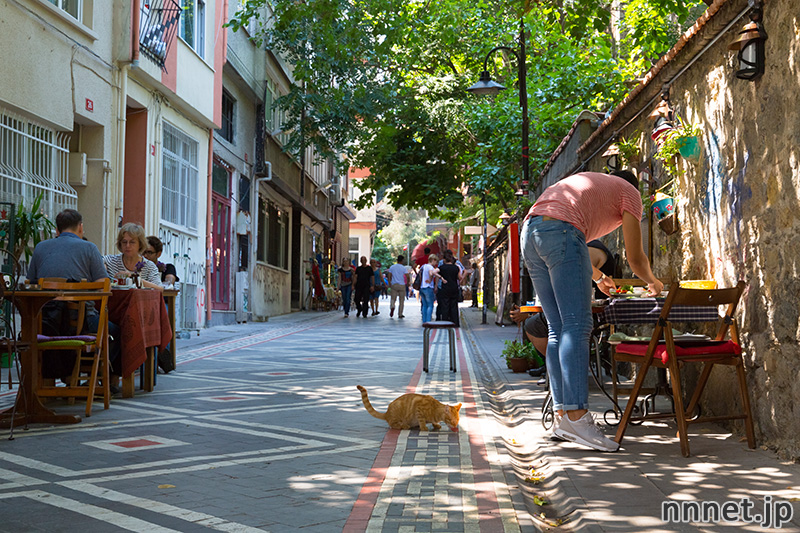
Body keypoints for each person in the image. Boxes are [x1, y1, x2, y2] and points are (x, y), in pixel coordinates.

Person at [522, 169, 663, 453]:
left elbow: (568, 242)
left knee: (556, 327)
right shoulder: (630, 192)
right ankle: (578, 417)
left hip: (530, 233)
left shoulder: (595, 185)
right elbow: (635, 257)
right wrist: (653, 281)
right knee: (577, 324)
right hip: (560, 231)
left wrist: (598, 277)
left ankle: (563, 417)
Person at [25, 209, 122, 390]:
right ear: (80, 227)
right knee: (115, 332)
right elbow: (103, 283)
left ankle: (62, 378)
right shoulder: (89, 248)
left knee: (57, 329)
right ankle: (95, 377)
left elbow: (31, 282)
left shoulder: (40, 248)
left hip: (45, 322)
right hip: (80, 322)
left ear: (57, 230)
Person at [103, 223, 163, 290]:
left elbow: (160, 289)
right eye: (124, 242)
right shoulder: (109, 261)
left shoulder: (149, 266)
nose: (127, 246)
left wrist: (134, 278)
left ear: (140, 244)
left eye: (132, 242)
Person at [436, 251, 462, 326]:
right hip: (454, 288)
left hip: (445, 288)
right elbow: (460, 277)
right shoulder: (456, 268)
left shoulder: (442, 268)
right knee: (454, 306)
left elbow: (433, 272)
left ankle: (445, 322)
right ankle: (455, 323)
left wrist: (441, 278)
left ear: (444, 259)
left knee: (445, 305)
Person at [419, 254, 441, 323]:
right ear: (433, 260)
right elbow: (431, 274)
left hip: (422, 287)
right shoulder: (430, 267)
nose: (436, 263)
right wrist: (430, 279)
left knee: (424, 305)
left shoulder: (423, 266)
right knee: (430, 305)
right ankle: (428, 321)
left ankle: (424, 321)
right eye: (436, 261)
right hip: (428, 287)